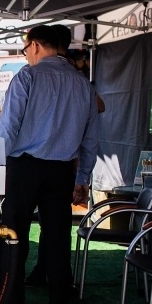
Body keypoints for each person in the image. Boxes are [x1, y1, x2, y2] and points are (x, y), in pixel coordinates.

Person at [0, 25, 98, 304]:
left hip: (24, 168)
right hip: (62, 171)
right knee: (57, 243)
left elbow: (7, 129)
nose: (26, 55)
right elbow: (91, 139)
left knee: (14, 240)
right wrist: (83, 178)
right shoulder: (83, 84)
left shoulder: (27, 76)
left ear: (35, 45)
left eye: (26, 49)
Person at [24, 24, 106, 287]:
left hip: (42, 161)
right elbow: (94, 123)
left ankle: (26, 288)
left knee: (34, 229)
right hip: (63, 163)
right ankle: (53, 283)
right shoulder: (76, 77)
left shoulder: (39, 73)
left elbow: (99, 106)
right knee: (56, 229)